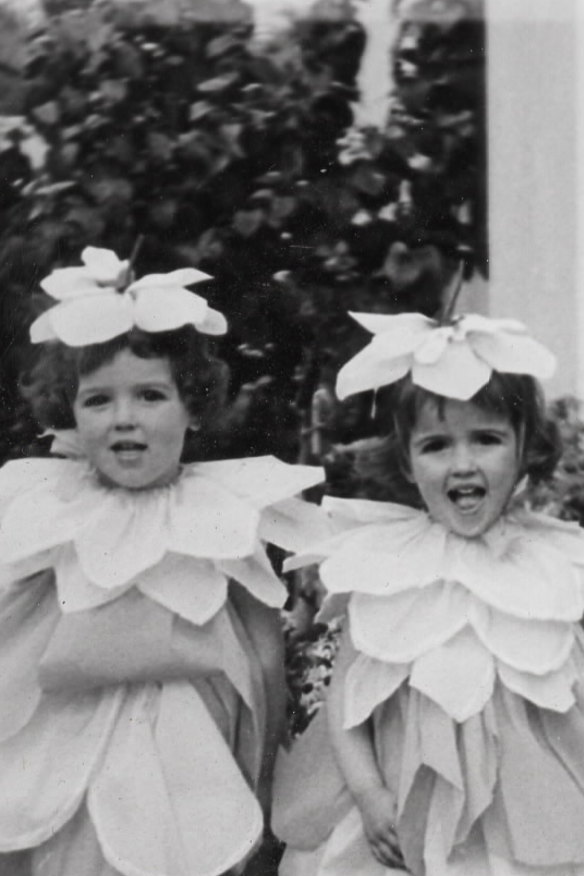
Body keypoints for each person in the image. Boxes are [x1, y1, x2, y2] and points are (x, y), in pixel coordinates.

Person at [0, 246, 325, 876]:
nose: (125, 420)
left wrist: (256, 765)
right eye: (98, 401)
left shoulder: (222, 511)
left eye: (150, 396)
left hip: (185, 752)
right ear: (68, 411)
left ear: (193, 405)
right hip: (67, 752)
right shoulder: (45, 508)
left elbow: (257, 651)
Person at [272, 309, 584, 875]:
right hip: (405, 813)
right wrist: (368, 795)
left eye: (486, 439)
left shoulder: (558, 567)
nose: (462, 463)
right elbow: (346, 698)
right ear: (408, 463)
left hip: (520, 829)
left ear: (524, 448)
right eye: (436, 445)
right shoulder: (387, 565)